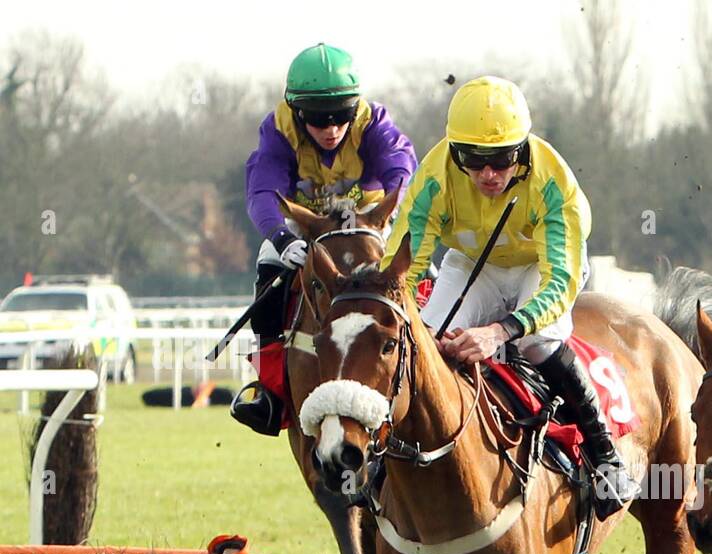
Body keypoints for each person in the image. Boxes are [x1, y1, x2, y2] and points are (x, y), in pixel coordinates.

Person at [382, 75, 639, 519]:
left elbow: (559, 285)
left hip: (540, 267)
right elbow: (403, 268)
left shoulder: (553, 182)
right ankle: (386, 461)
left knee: (537, 343)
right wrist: (408, 315)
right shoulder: (433, 177)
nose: (488, 174)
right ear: (453, 152)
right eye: (473, 160)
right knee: (421, 342)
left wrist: (499, 332)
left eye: (501, 160)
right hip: (472, 262)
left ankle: (605, 459)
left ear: (521, 149)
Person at [232, 43, 417, 435]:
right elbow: (261, 193)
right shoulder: (278, 131)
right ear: (298, 114)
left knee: (424, 272)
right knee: (268, 269)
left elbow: (402, 169)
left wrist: (390, 210)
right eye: (318, 120)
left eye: (341, 118)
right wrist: (282, 239)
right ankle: (270, 395)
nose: (332, 130)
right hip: (307, 225)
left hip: (367, 223)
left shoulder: (373, 123)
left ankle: (433, 373)